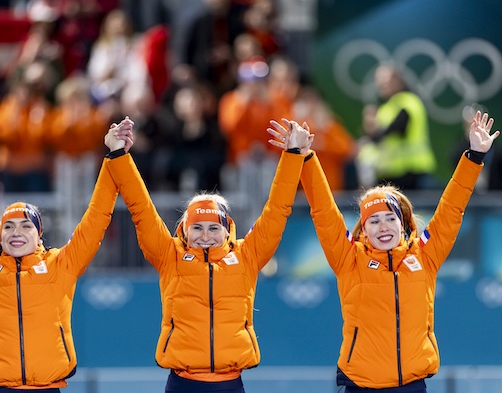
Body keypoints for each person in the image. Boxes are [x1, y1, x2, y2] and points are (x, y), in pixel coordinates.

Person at [105, 115, 313, 393]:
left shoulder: (247, 256)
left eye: (214, 228)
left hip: (230, 384)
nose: (205, 235)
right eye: (197, 228)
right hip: (182, 384)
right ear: (184, 231)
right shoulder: (170, 256)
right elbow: (140, 208)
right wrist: (119, 155)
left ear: (228, 231)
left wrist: (293, 155)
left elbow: (278, 210)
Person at [298, 110, 499, 392]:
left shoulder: (424, 255)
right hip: (361, 386)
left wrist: (475, 156)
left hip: (412, 385)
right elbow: (323, 211)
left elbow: (452, 209)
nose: (383, 227)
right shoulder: (349, 258)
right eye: (374, 220)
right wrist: (306, 157)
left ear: (402, 224)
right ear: (363, 229)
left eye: (390, 219)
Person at [0, 130, 132, 392]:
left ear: (39, 235)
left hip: (47, 387)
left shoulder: (61, 264)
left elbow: (97, 217)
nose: (16, 233)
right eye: (9, 227)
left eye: (25, 226)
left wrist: (114, 156)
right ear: (1, 234)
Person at [357, 62, 437, 189]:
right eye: (379, 81)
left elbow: (397, 129)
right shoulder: (387, 107)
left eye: (385, 80)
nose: (381, 85)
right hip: (390, 173)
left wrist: (373, 137)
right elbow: (376, 136)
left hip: (411, 171)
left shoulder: (408, 102)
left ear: (396, 80)